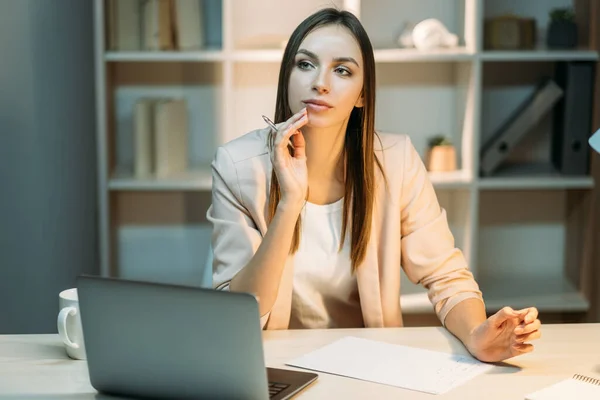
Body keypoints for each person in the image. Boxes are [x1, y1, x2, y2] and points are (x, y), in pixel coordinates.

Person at [207, 7, 541, 363]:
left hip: (368, 365)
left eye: (342, 70)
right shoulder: (237, 166)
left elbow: (446, 277)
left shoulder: (397, 161)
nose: (320, 82)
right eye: (305, 64)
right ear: (286, 77)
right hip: (273, 364)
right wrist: (290, 203)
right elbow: (239, 312)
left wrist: (477, 336)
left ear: (363, 94)